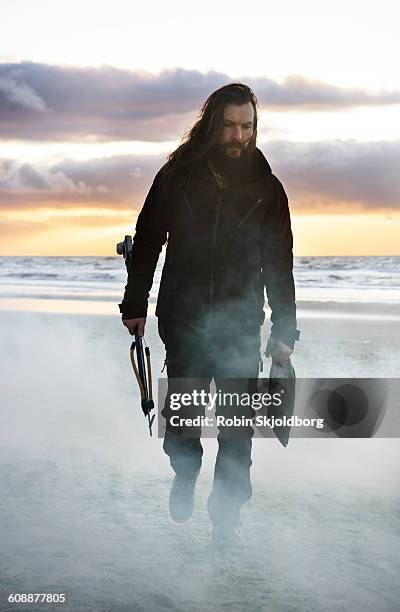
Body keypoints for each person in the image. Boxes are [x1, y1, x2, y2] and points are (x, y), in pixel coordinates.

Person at [119, 83, 299, 547]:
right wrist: (135, 304)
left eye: (248, 127)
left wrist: (285, 330)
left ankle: (225, 520)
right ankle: (185, 471)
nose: (239, 136)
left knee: (238, 432)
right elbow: (147, 239)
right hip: (183, 318)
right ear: (212, 125)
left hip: (240, 322)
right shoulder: (176, 176)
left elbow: (279, 263)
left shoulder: (267, 188)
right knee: (182, 421)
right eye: (230, 126)